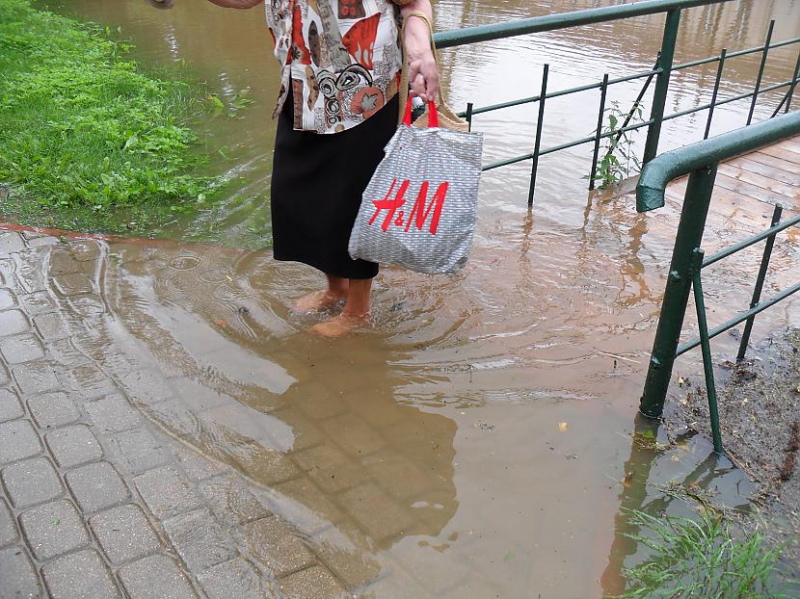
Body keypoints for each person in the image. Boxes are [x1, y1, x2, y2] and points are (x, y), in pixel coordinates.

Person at [198, 0, 439, 336]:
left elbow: (414, 3)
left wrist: (419, 49)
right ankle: (334, 289)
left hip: (365, 91)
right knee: (302, 196)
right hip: (303, 88)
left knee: (352, 204)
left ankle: (358, 311)